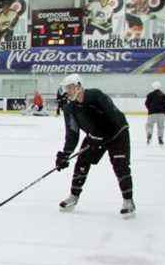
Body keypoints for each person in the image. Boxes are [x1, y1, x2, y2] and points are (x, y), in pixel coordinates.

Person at [55, 74, 135, 218]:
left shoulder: (96, 96)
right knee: (82, 161)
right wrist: (65, 155)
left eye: (70, 88)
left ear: (79, 86)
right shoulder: (70, 108)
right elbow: (72, 134)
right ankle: (73, 196)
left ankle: (128, 201)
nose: (68, 91)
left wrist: (100, 136)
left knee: (120, 165)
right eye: (66, 88)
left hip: (117, 133)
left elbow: (114, 117)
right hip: (94, 136)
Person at [145, 81, 165, 145]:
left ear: (153, 87)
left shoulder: (150, 94)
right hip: (161, 114)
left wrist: (150, 109)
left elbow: (146, 103)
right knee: (161, 127)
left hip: (152, 113)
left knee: (149, 126)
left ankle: (149, 135)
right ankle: (160, 138)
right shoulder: (163, 95)